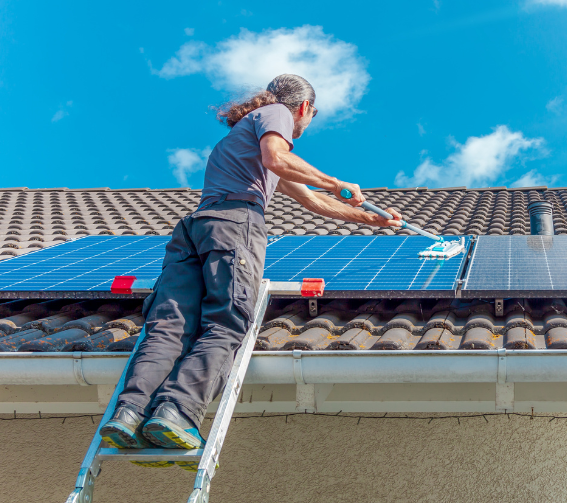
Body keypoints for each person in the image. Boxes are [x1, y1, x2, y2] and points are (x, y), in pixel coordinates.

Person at [99, 74, 401, 463]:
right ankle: (175, 412)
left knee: (170, 326)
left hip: (196, 228)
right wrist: (336, 182)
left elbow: (310, 201)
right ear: (304, 108)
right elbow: (281, 158)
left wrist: (370, 220)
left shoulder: (242, 139)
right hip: (234, 224)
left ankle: (129, 413)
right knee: (226, 322)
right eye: (308, 118)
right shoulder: (275, 115)